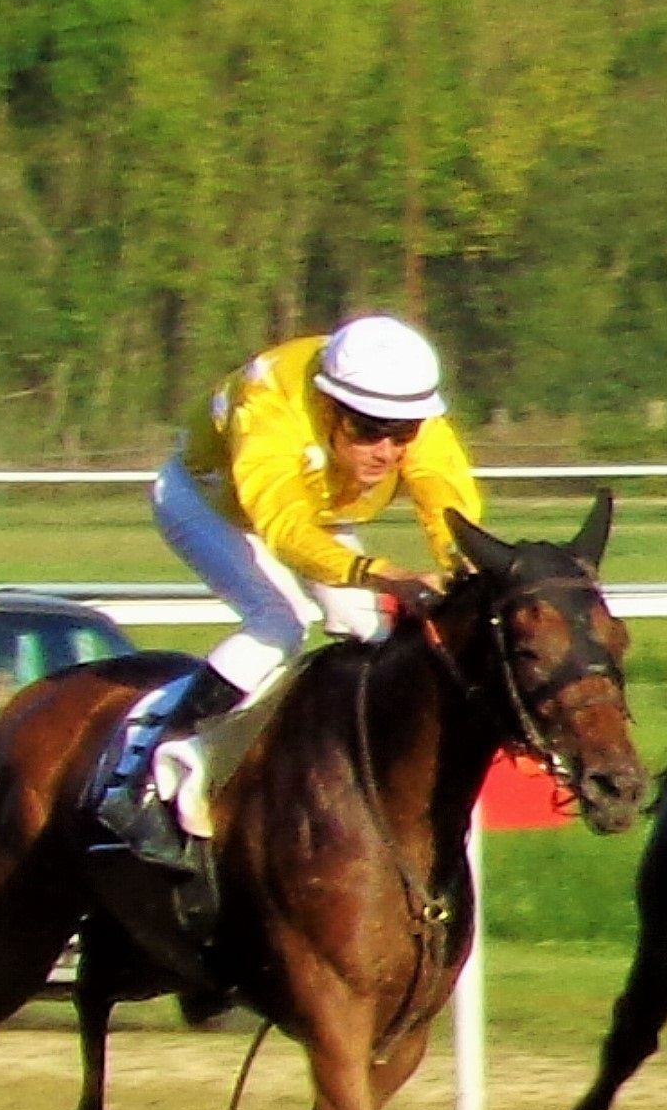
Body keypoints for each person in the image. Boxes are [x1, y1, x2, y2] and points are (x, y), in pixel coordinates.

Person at [106, 313, 482, 868]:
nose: (386, 451)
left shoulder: (412, 421)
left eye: (402, 434)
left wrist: (469, 570)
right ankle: (145, 776)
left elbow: (450, 511)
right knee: (278, 622)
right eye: (368, 430)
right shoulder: (271, 404)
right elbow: (284, 529)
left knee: (374, 632)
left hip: (318, 511)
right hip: (211, 504)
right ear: (328, 406)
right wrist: (381, 573)